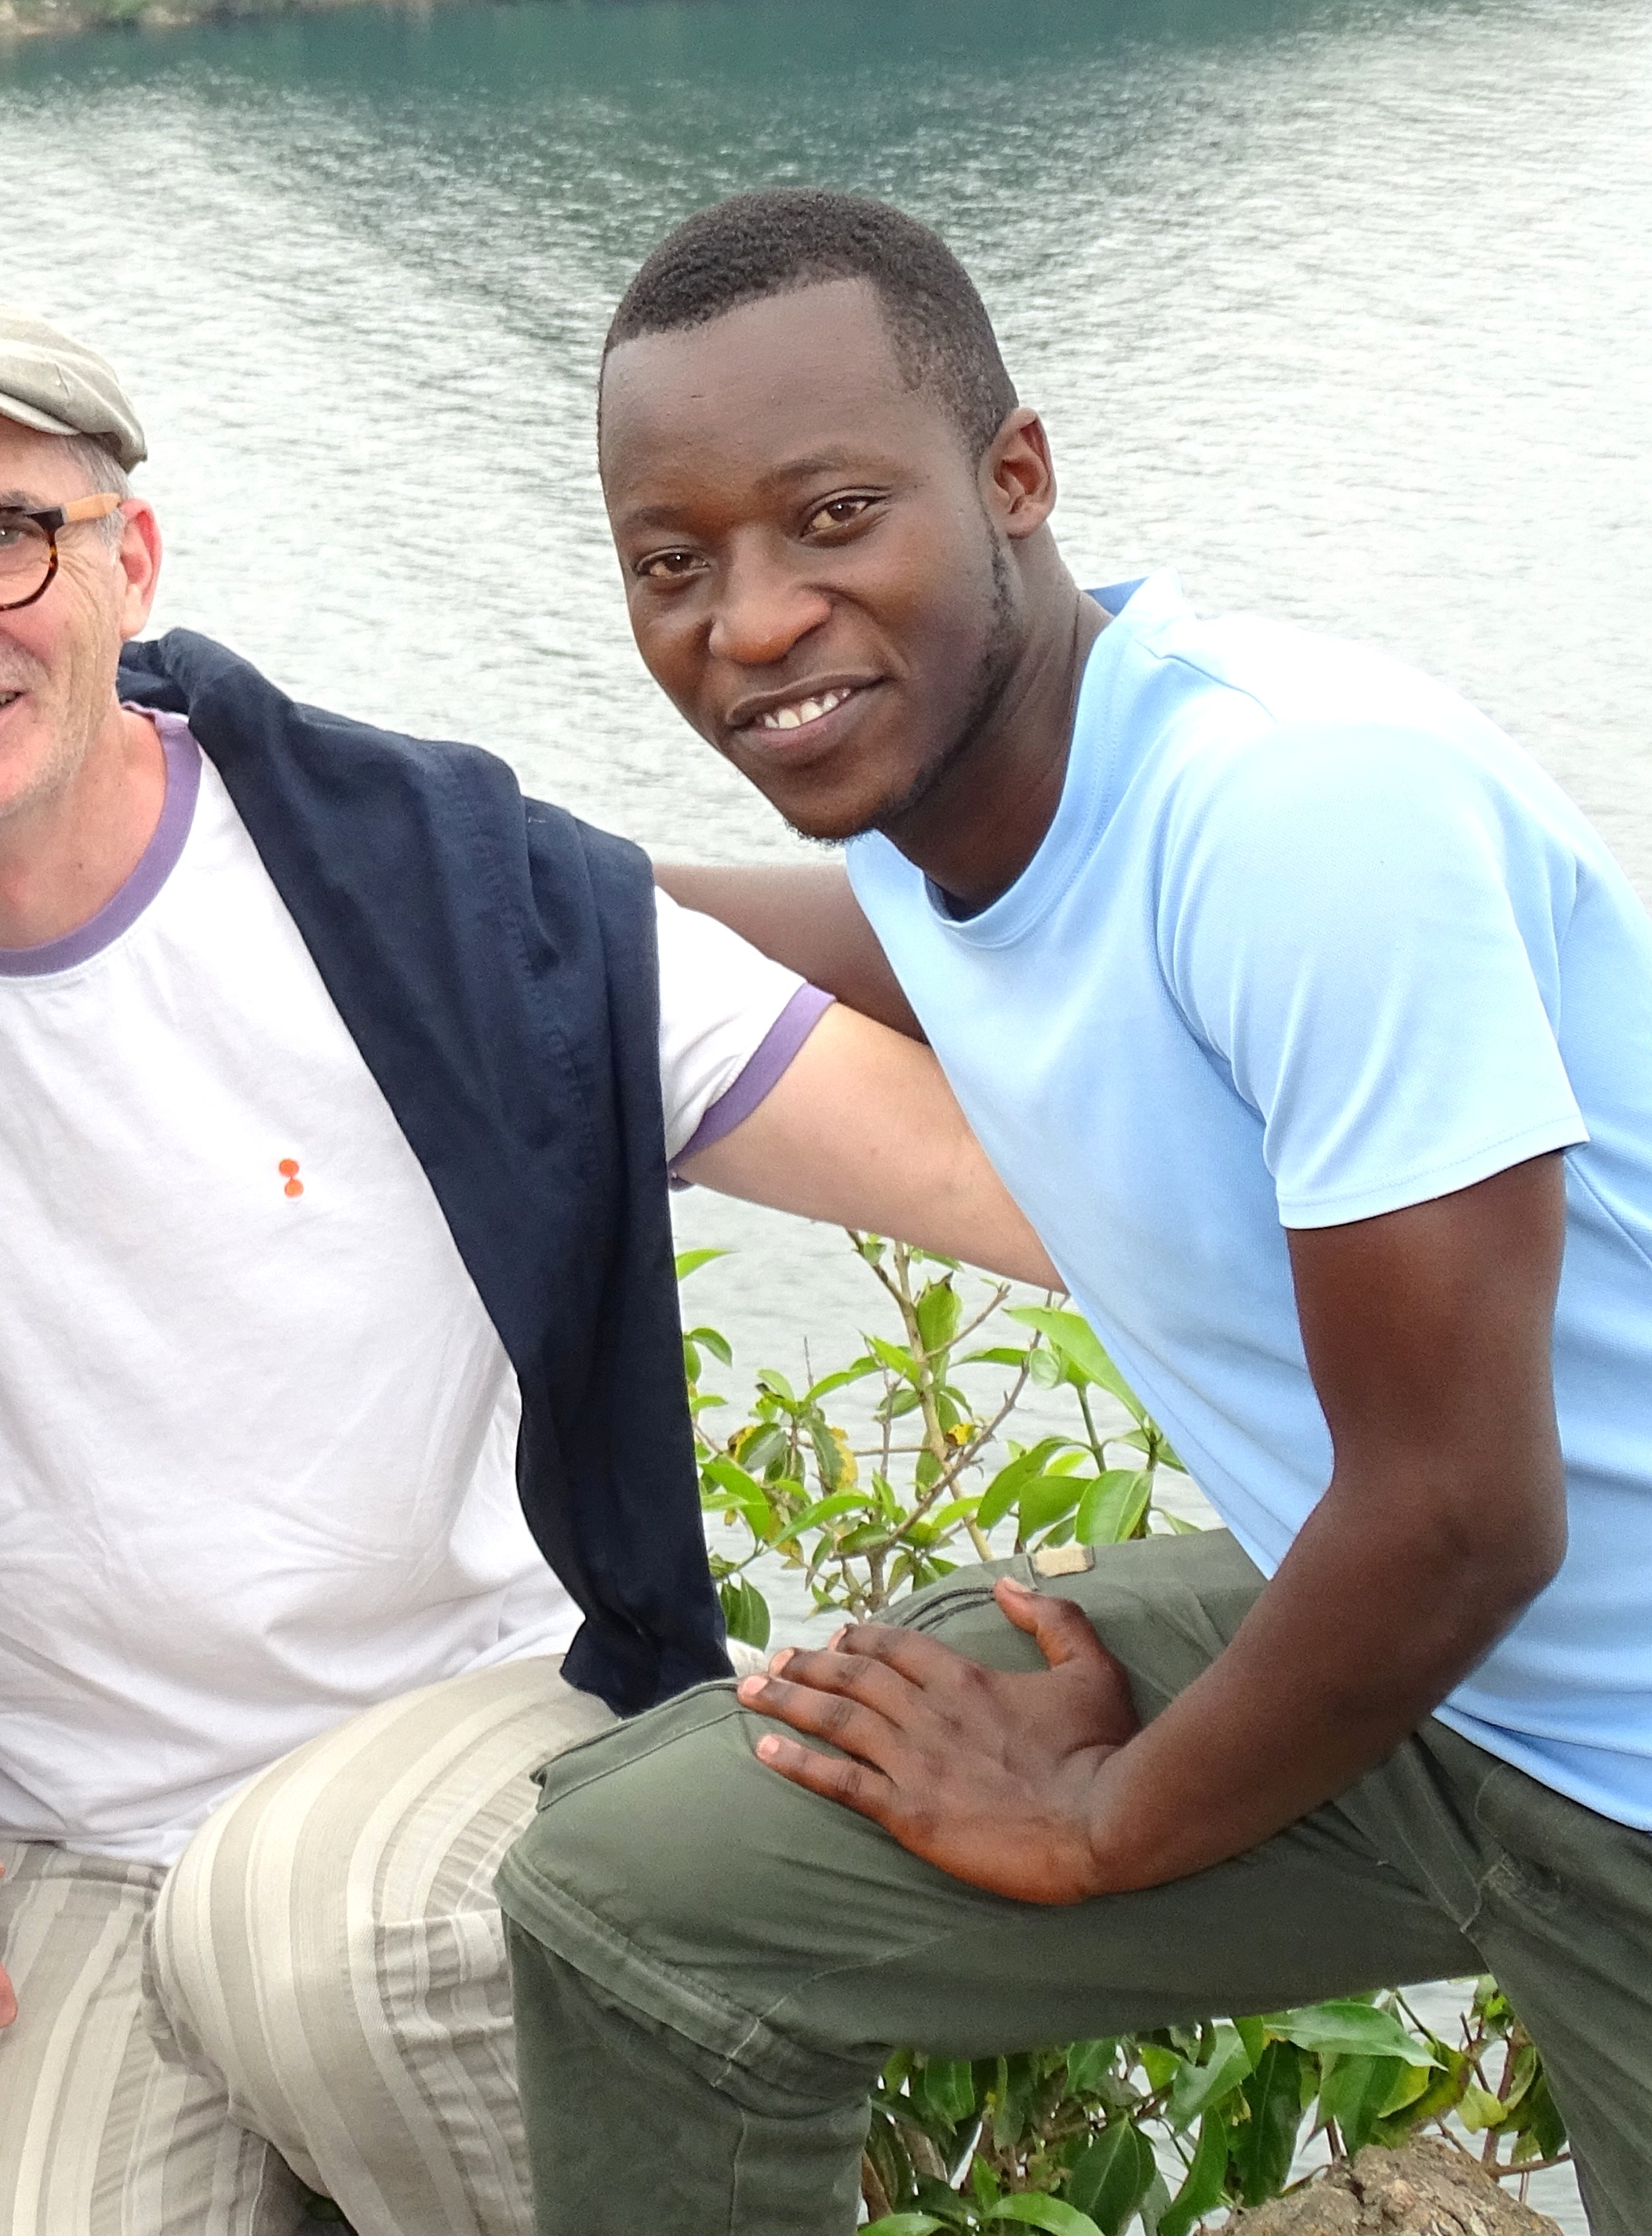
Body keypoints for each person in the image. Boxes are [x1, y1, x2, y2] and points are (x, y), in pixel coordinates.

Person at [0, 291, 1057, 2236]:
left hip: (482, 1745)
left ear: (130, 558)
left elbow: (1003, 1189)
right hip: (41, 1850)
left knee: (311, 1942)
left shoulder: (433, 897)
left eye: (0, 538)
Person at [506, 187, 1652, 2227]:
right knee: (636, 1901)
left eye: (834, 516)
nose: (749, 618)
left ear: (1014, 477)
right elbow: (725, 925)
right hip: (1414, 1677)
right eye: (672, 561)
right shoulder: (950, 824)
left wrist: (1107, 1822)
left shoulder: (1299, 815)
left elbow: (1468, 1511)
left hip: (1599, 1730)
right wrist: (358, 844)